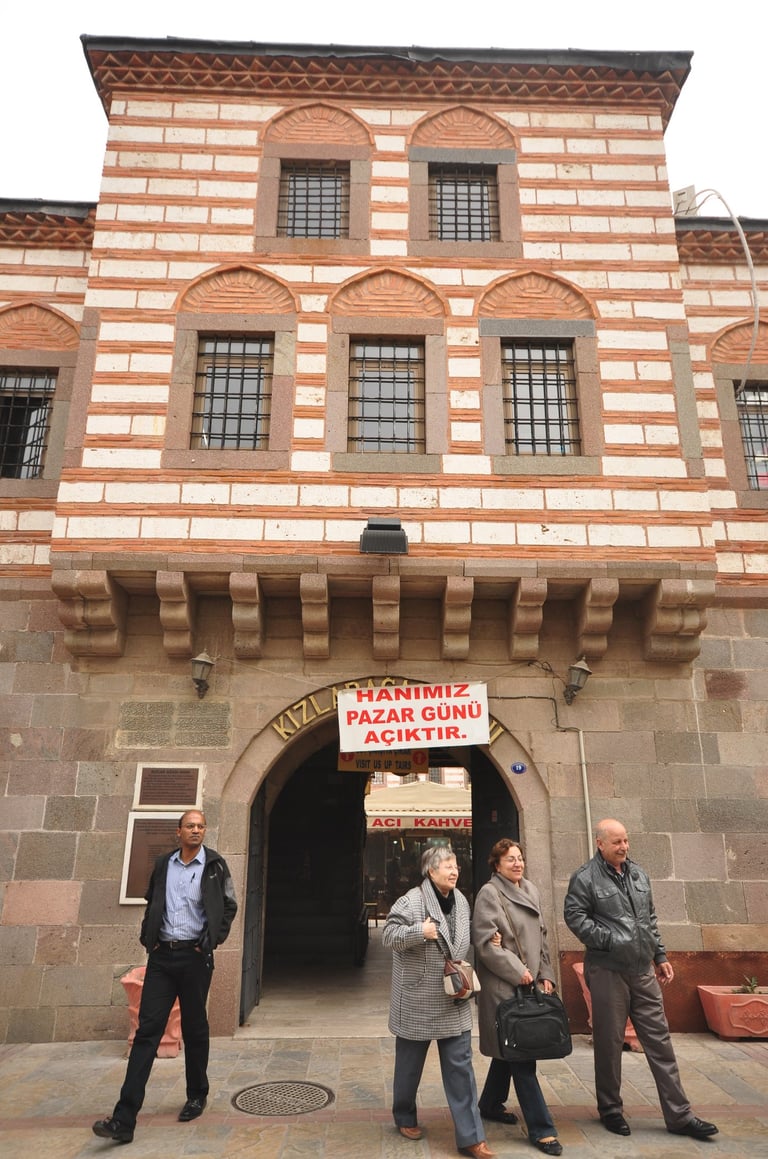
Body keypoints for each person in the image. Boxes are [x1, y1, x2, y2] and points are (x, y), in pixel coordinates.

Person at [564, 818, 718, 1141]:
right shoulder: (585, 877)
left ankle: (680, 1116)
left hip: (642, 971)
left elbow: (649, 919)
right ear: (600, 844)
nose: (624, 847)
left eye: (626, 840)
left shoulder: (638, 874)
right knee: (609, 1043)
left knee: (660, 1041)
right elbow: (574, 917)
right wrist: (609, 940)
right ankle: (610, 1110)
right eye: (617, 842)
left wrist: (659, 955)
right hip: (607, 970)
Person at [92, 809, 238, 1144]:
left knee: (195, 1028)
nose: (196, 830)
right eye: (190, 826)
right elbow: (152, 900)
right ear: (179, 831)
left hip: (195, 957)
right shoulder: (163, 864)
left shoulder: (215, 865)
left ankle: (196, 1095)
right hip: (162, 958)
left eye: (201, 826)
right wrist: (149, 936)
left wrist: (211, 940)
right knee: (147, 1032)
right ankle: (123, 1120)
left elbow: (229, 905)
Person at [382, 845, 494, 1159]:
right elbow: (388, 935)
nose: (455, 870)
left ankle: (471, 1137)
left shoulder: (461, 900)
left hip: (453, 996)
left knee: (461, 1070)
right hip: (417, 998)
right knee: (409, 1068)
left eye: (456, 865)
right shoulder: (412, 901)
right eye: (447, 865)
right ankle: (404, 1115)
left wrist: (491, 939)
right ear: (431, 871)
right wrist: (419, 931)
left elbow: (465, 938)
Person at [472, 839, 563, 1157]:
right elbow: (486, 943)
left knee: (511, 1049)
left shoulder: (531, 889)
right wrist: (518, 971)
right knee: (523, 1054)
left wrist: (546, 973)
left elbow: (542, 937)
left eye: (520, 858)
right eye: (510, 859)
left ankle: (489, 1103)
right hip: (505, 986)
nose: (517, 863)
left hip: (531, 982)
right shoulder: (490, 893)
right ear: (496, 864)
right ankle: (542, 1129)